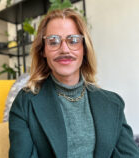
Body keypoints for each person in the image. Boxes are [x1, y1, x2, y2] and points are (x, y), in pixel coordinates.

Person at [9, 8, 139, 158]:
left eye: (73, 41)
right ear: (43, 51)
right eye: (53, 41)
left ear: (84, 49)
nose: (64, 49)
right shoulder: (25, 103)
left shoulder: (113, 103)